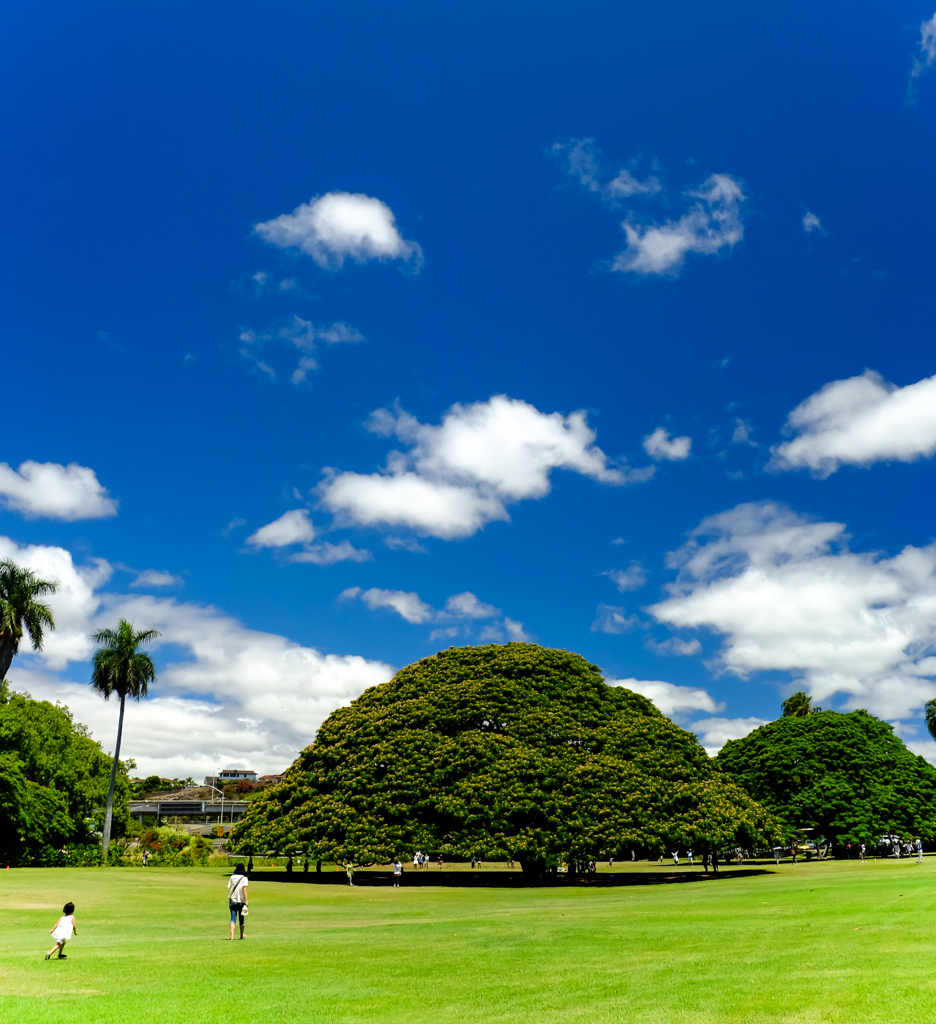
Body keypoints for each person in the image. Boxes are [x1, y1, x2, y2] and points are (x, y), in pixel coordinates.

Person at [227, 864, 249, 940]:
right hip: (241, 901)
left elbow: (230, 887)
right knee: (241, 919)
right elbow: (244, 889)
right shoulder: (244, 878)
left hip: (233, 900)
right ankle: (241, 935)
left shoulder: (232, 877)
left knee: (233, 918)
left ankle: (232, 936)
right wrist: (246, 900)